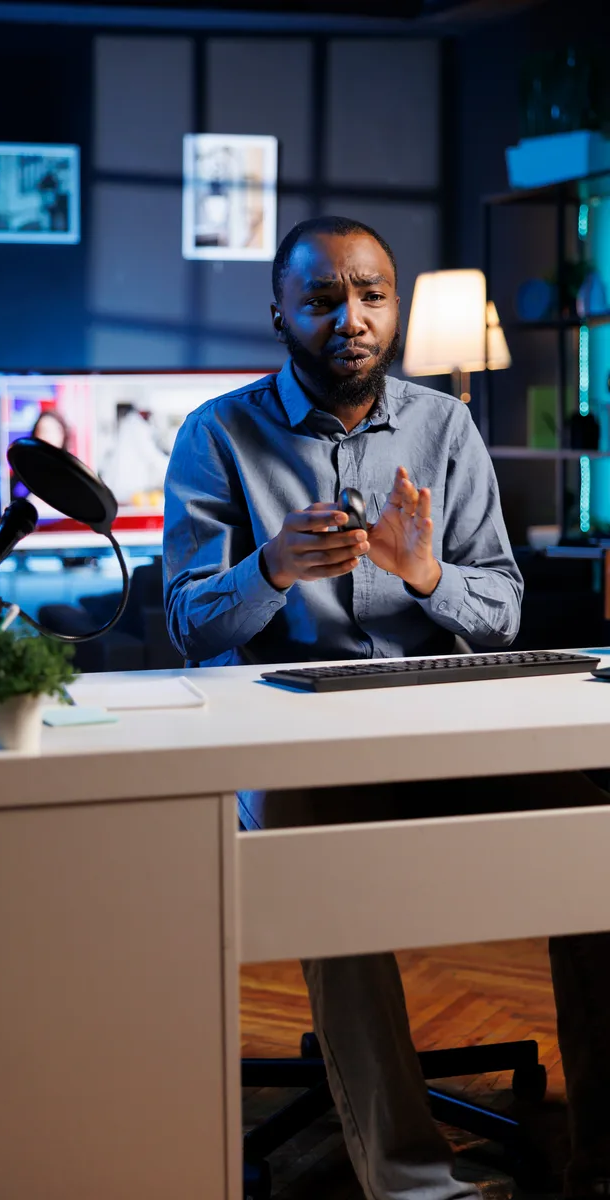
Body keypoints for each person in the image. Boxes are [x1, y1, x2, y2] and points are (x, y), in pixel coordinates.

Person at [163, 215, 610, 1200]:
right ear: (279, 312)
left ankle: (604, 1157)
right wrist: (270, 568)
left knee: (599, 838)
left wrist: (426, 575)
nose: (351, 319)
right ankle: (416, 1184)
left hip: (439, 737)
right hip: (289, 752)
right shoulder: (216, 435)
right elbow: (189, 626)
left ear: (393, 305)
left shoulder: (444, 428)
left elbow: (500, 610)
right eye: (322, 300)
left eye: (370, 295)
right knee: (324, 868)